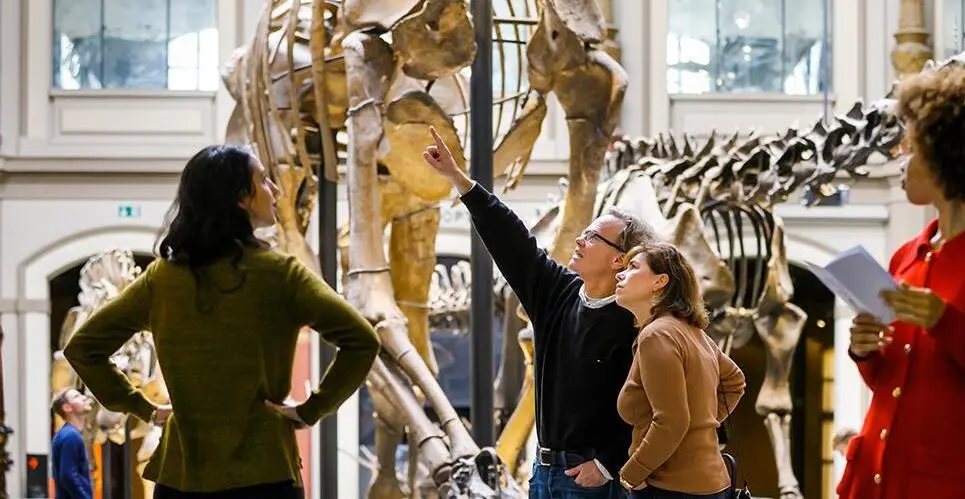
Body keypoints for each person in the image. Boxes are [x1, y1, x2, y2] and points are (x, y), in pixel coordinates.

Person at [64, 145, 381, 499]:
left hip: (181, 477)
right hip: (266, 474)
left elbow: (82, 347)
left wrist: (141, 407)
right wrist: (312, 410)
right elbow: (362, 340)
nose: (275, 190)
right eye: (263, 181)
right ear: (240, 198)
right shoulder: (281, 274)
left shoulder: (162, 279)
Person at [423, 126, 658, 499]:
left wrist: (608, 463)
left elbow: (655, 406)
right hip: (544, 474)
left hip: (592, 481)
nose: (580, 240)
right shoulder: (558, 293)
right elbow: (513, 241)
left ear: (619, 259)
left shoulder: (637, 319)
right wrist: (460, 180)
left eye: (593, 237)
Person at [838, 66, 965, 499]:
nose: (902, 160)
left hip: (952, 485)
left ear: (950, 155)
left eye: (913, 148)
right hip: (880, 478)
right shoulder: (907, 255)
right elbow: (893, 379)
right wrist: (866, 350)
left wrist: (946, 321)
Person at [611, 242, 745, 499]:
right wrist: (701, 427)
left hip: (668, 488)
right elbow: (735, 381)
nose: (620, 274)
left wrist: (630, 475)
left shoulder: (657, 334)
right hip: (711, 483)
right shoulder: (694, 333)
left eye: (633, 267)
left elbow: (672, 421)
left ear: (660, 281)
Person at [51, 388, 94, 499]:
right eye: (77, 396)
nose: (84, 398)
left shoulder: (67, 434)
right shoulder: (71, 436)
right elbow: (67, 475)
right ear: (67, 407)